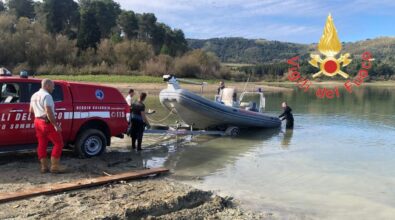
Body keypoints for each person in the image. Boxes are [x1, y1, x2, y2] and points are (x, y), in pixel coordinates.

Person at [30, 79, 66, 174]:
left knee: (42, 144)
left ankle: (44, 167)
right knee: (58, 143)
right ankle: (54, 167)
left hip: (37, 121)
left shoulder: (34, 95)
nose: (53, 88)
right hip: (47, 122)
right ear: (47, 85)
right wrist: (55, 125)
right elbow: (48, 111)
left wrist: (39, 114)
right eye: (52, 86)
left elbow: (31, 110)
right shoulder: (47, 96)